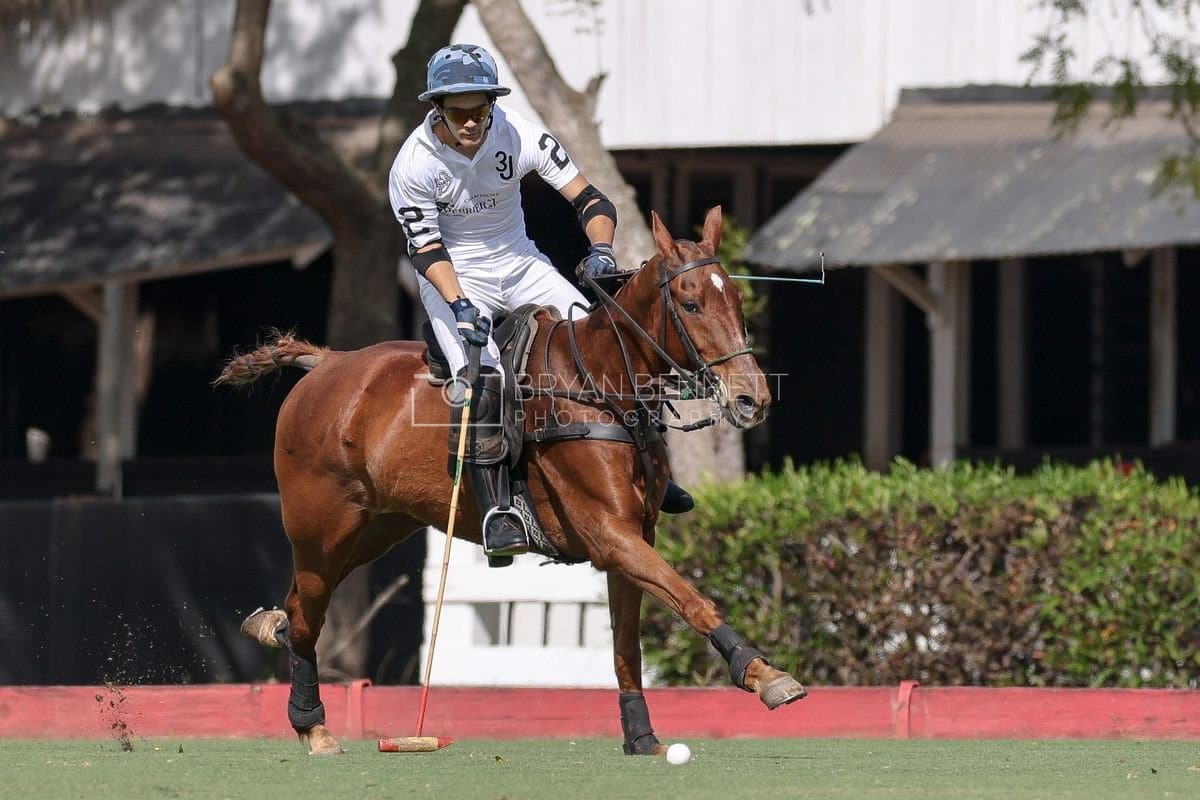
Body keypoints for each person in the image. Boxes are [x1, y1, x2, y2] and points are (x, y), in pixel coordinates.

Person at [388, 43, 692, 567]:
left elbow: (591, 199)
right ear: (436, 108)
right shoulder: (413, 163)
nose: (471, 122)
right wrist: (459, 304)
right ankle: (498, 512)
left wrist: (600, 248)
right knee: (483, 383)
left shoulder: (517, 132)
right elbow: (425, 249)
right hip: (454, 277)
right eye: (458, 111)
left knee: (610, 342)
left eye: (480, 108)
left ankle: (656, 471)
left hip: (521, 263)